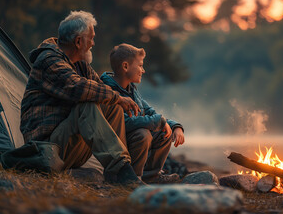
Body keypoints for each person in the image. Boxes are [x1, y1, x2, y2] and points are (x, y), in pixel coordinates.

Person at [20, 11, 143, 185]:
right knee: (87, 106)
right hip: (46, 150)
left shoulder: (80, 64)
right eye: (91, 38)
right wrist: (117, 96)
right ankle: (123, 170)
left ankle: (118, 174)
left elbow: (102, 89)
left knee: (112, 106)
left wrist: (117, 99)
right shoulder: (48, 60)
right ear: (78, 41)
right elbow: (77, 88)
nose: (93, 43)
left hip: (69, 146)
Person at [100, 43, 185, 183]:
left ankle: (151, 176)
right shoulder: (107, 90)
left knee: (164, 132)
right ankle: (133, 179)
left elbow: (150, 112)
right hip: (115, 147)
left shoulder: (131, 89)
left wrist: (175, 126)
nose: (143, 70)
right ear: (125, 66)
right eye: (140, 65)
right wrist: (158, 121)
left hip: (130, 141)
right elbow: (124, 122)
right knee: (143, 134)